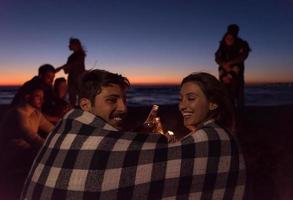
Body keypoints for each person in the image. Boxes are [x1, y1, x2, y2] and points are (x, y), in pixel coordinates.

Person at [21, 70, 245, 199]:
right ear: (85, 106)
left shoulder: (216, 139)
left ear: (213, 103)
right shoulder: (66, 134)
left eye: (124, 99)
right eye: (112, 100)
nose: (124, 108)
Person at [0, 84, 54, 199]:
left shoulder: (35, 113)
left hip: (26, 152)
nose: (42, 100)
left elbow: (52, 129)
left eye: (42, 97)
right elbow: (32, 137)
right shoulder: (17, 113)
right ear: (27, 97)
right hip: (12, 156)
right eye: (38, 97)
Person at [215, 24, 251, 115]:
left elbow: (244, 55)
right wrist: (223, 64)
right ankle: (228, 114)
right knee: (226, 95)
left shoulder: (242, 43)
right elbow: (216, 57)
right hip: (223, 74)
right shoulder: (222, 44)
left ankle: (240, 115)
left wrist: (229, 63)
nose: (230, 37)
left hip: (237, 75)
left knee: (239, 95)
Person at [56, 37, 86, 107]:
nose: (69, 46)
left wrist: (61, 67)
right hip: (72, 78)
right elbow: (67, 70)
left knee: (81, 96)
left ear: (75, 45)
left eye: (70, 44)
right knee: (72, 97)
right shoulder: (71, 57)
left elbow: (75, 64)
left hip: (79, 78)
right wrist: (63, 68)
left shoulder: (80, 54)